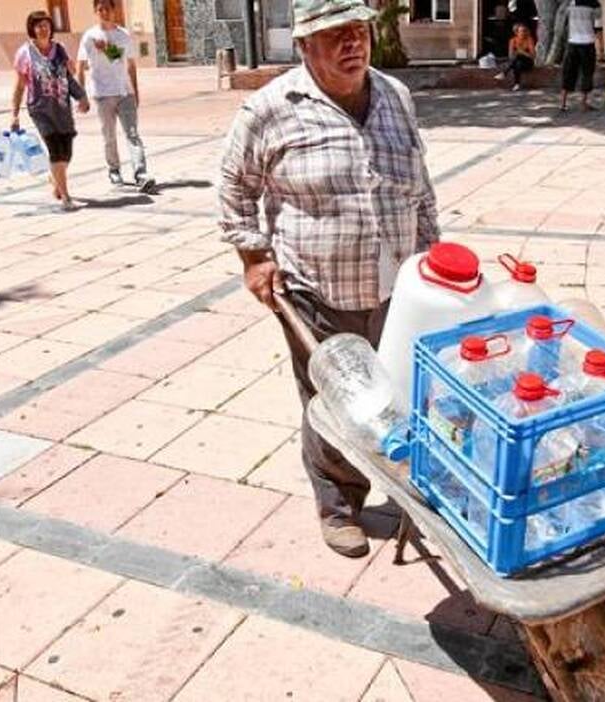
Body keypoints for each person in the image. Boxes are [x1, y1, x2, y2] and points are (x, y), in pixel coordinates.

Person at [218, 0, 439, 558]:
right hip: (316, 290)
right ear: (304, 45)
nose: (352, 43)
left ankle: (405, 489)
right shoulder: (270, 108)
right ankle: (339, 507)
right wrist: (253, 257)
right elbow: (234, 185)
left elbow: (420, 186)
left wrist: (431, 257)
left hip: (397, 289)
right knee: (336, 404)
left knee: (398, 396)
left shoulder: (395, 96)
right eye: (335, 33)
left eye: (359, 29)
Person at [10, 11, 89, 211]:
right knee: (56, 151)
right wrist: (14, 114)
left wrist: (82, 97)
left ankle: (55, 179)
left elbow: (69, 78)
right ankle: (66, 197)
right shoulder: (25, 53)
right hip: (40, 110)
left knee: (66, 153)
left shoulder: (60, 49)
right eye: (38, 26)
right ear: (32, 29)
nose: (43, 29)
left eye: (46, 25)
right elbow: (19, 86)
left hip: (62, 109)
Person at [76, 0, 155, 192]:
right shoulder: (90, 36)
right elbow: (80, 66)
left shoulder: (123, 35)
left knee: (133, 134)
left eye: (107, 9)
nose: (104, 12)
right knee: (109, 135)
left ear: (114, 10)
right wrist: (81, 95)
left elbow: (129, 64)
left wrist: (135, 91)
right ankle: (114, 170)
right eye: (100, 9)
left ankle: (141, 173)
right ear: (95, 12)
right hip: (102, 94)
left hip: (124, 92)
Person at [559, 0, 601, 112]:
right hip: (588, 43)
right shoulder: (595, 4)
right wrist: (601, 48)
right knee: (587, 72)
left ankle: (563, 103)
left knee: (568, 72)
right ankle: (583, 103)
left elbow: (564, 22)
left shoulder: (570, 3)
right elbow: (598, 27)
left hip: (572, 42)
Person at [496, 23, 536, 91]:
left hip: (527, 63)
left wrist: (522, 52)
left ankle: (504, 73)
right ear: (516, 32)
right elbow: (510, 55)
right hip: (517, 62)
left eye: (524, 31)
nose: (523, 33)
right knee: (517, 63)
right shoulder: (513, 40)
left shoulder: (529, 39)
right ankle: (517, 85)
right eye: (521, 31)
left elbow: (533, 56)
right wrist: (517, 53)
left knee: (518, 57)